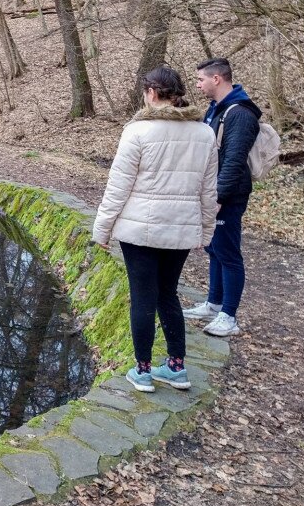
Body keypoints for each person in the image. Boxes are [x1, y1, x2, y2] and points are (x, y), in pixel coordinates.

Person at [92, 66, 218, 393]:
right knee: (168, 295)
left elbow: (117, 188)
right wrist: (206, 232)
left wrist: (102, 229)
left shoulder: (138, 131)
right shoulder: (204, 133)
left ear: (150, 93)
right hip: (180, 232)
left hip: (140, 232)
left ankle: (143, 371)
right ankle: (176, 367)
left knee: (142, 299)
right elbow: (208, 191)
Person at [183, 57, 262, 337]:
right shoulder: (217, 109)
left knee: (228, 253)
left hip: (228, 195)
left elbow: (233, 161)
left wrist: (217, 197)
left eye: (201, 79)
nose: (197, 84)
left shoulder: (240, 114)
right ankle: (214, 303)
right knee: (213, 249)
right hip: (214, 192)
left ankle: (229, 316)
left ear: (217, 79)